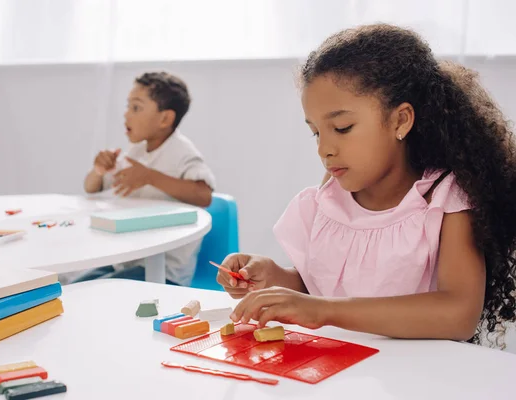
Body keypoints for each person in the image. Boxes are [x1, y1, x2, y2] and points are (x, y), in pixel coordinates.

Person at [218, 24, 516, 348]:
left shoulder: (445, 199)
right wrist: (275, 278)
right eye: (316, 132)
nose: (324, 149)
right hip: (335, 370)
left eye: (342, 128)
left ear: (400, 120)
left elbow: (458, 314)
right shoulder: (335, 189)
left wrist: (323, 311)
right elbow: (320, 288)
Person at [80, 71, 216, 286]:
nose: (126, 115)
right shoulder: (136, 151)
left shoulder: (183, 153)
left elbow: (203, 195)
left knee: (92, 292)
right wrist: (98, 170)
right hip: (127, 261)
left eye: (136, 108)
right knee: (75, 287)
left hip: (163, 271)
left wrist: (150, 177)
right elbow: (92, 188)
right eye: (127, 106)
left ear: (165, 118)